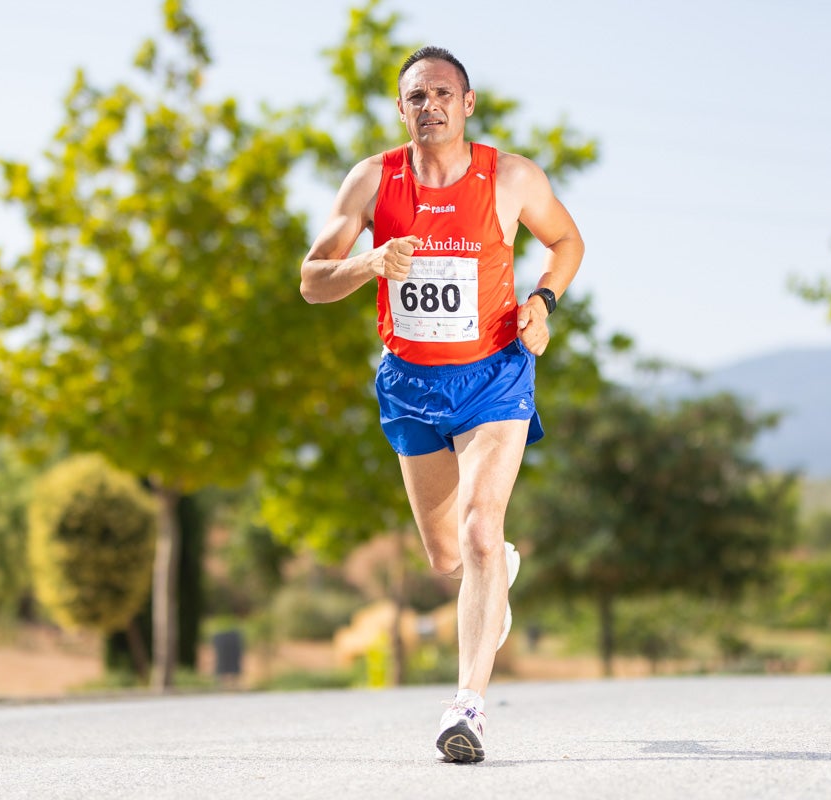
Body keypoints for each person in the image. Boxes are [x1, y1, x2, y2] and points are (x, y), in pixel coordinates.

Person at [300, 46, 584, 763]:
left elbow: (566, 242)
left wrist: (542, 303)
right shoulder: (373, 180)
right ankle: (495, 575)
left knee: (481, 530)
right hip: (411, 383)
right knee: (447, 554)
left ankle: (468, 708)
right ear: (401, 110)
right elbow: (311, 280)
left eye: (443, 94)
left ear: (468, 103)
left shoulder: (510, 177)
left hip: (495, 377)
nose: (431, 106)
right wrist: (369, 261)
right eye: (417, 97)